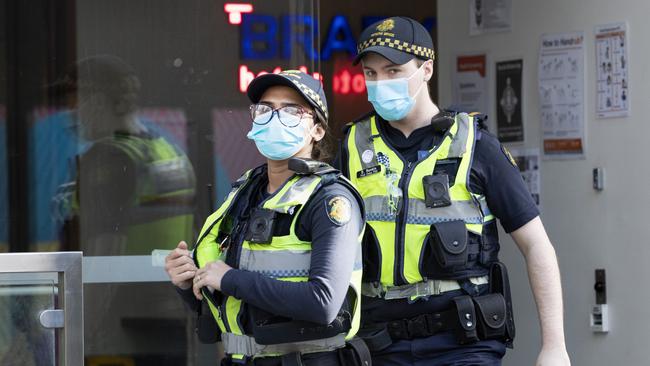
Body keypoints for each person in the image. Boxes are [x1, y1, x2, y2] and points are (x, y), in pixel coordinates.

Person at [335, 17, 570, 365]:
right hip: (380, 343)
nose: (380, 82)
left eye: (393, 71)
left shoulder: (475, 144)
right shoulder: (353, 146)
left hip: (461, 342)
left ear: (426, 69)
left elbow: (536, 245)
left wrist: (554, 346)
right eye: (371, 73)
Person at [165, 70, 370, 366]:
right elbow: (228, 304)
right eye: (265, 109)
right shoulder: (245, 194)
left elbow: (324, 302)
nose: (274, 118)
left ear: (318, 130)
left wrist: (230, 279)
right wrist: (188, 282)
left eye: (290, 110)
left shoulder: (330, 200)